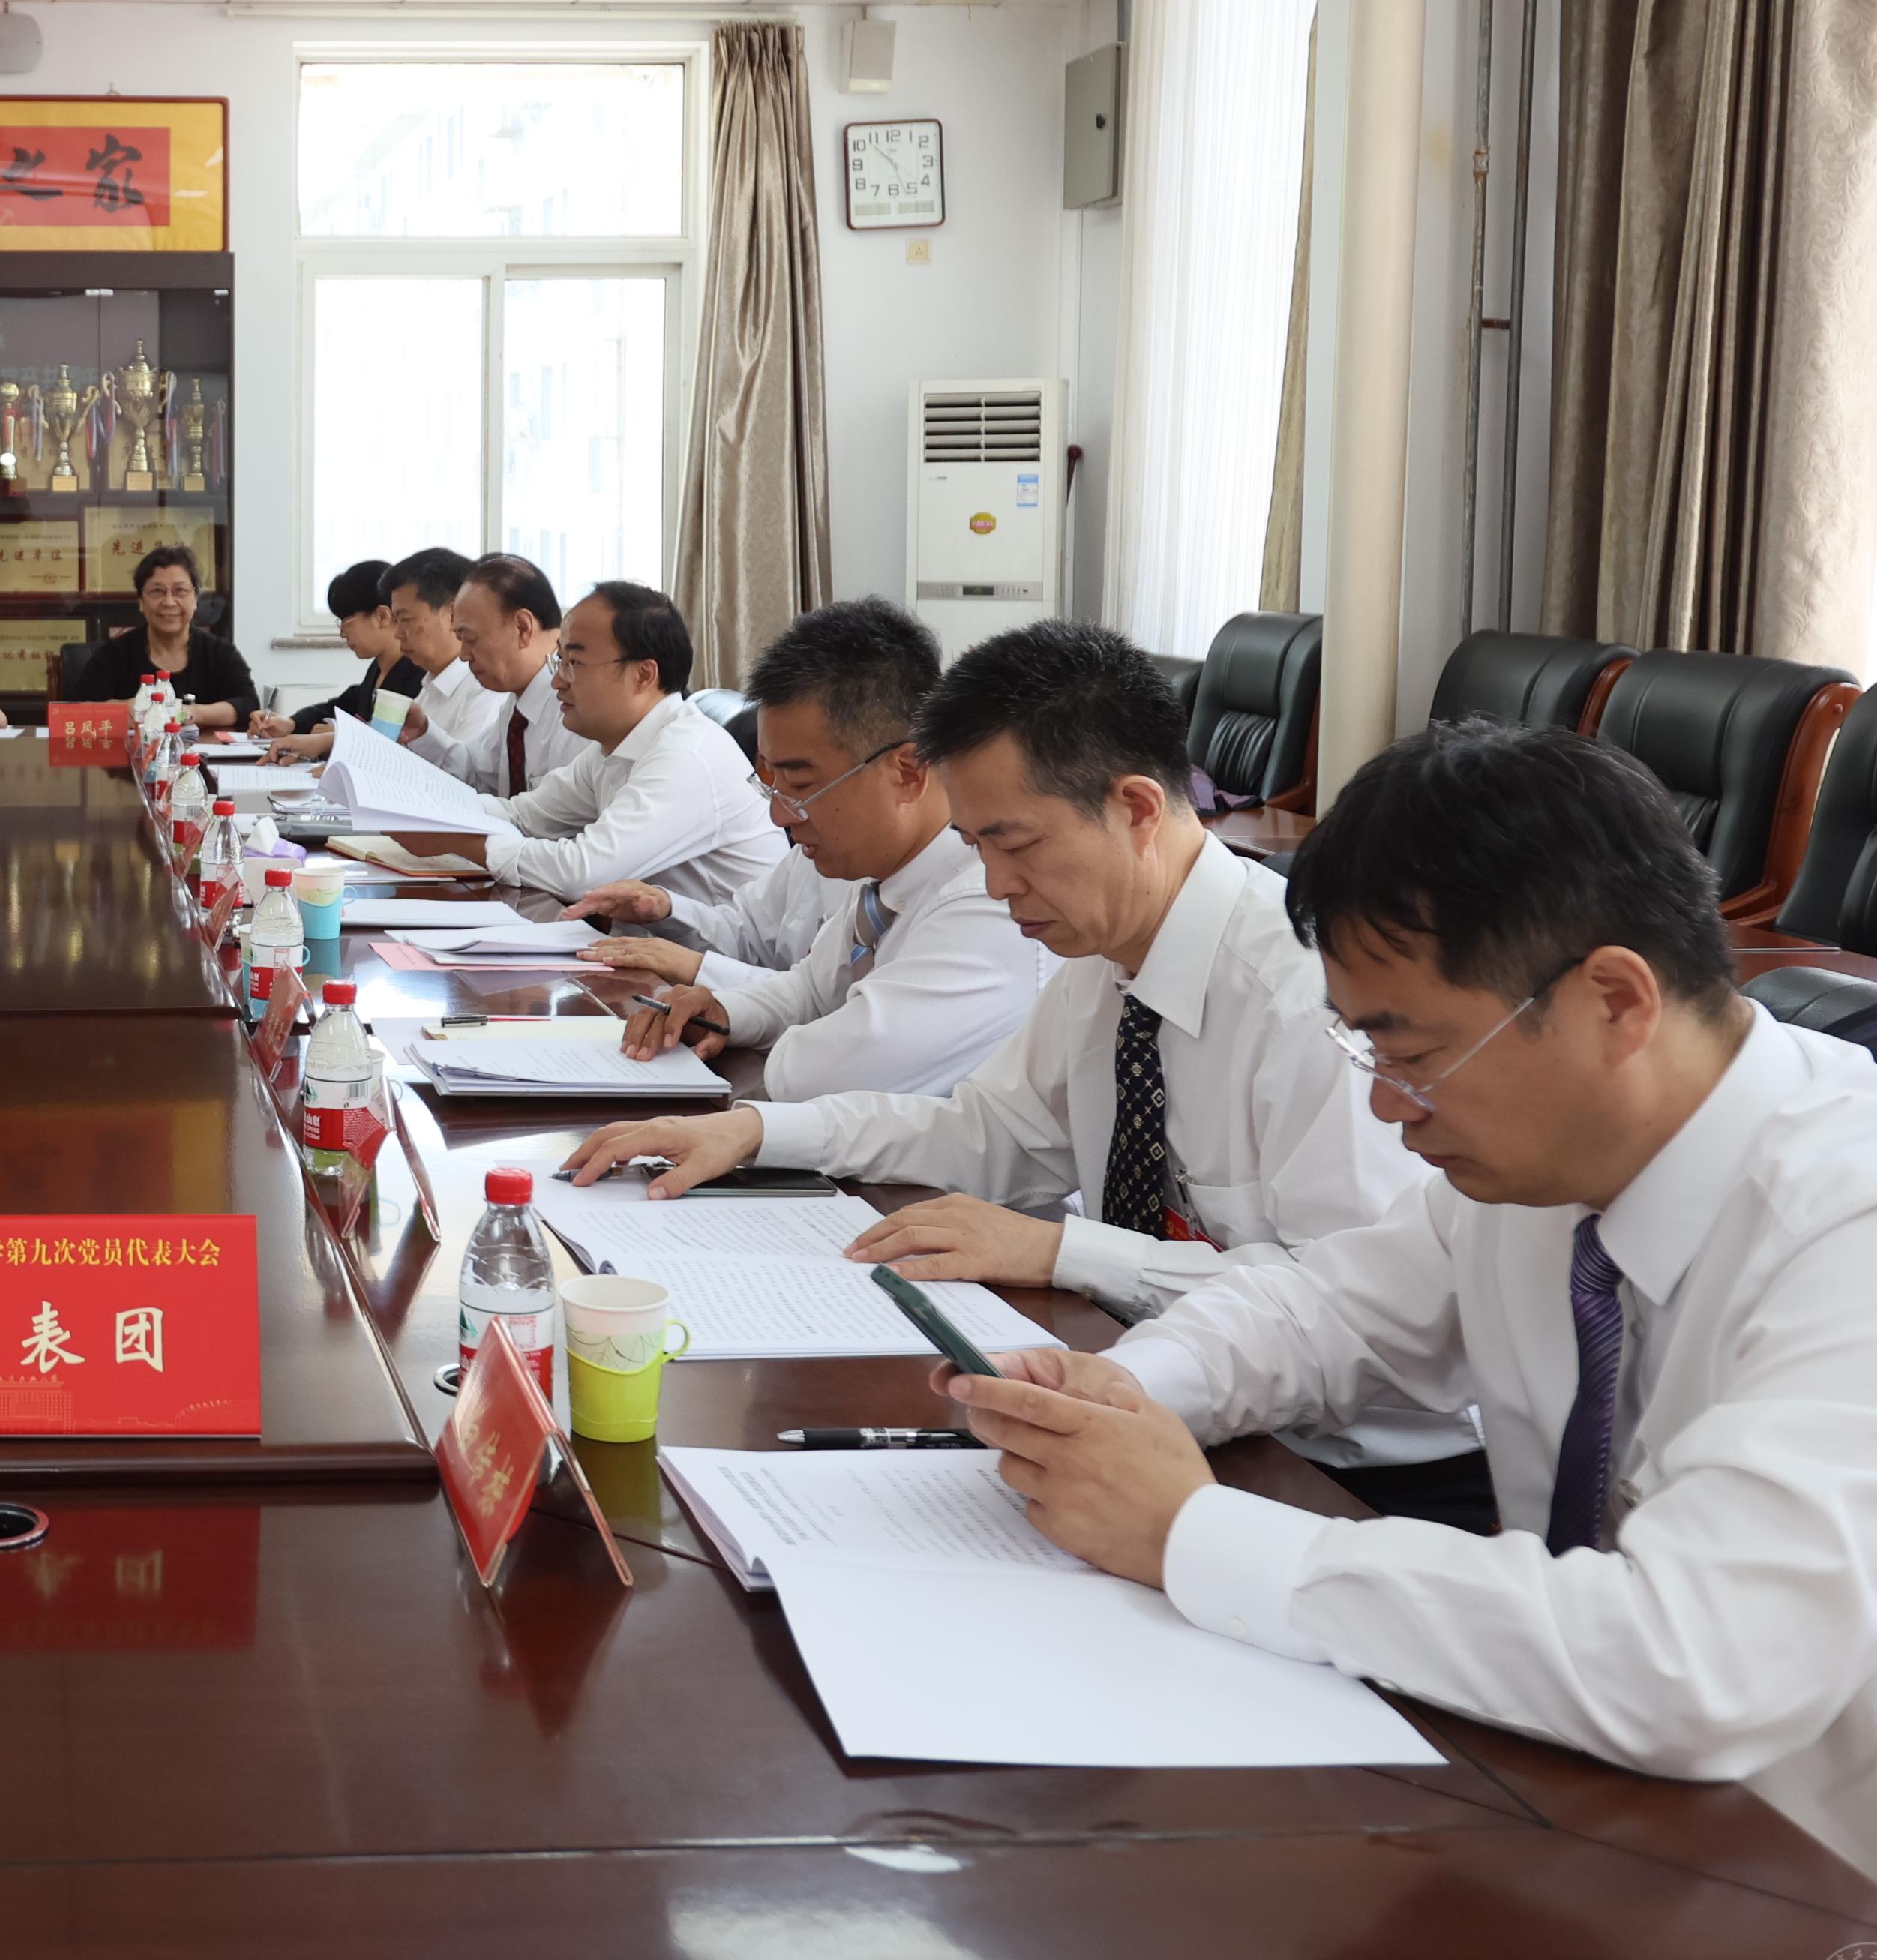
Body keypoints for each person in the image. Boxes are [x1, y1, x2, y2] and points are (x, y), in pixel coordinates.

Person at [936, 724, 1877, 1960]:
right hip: (1657, 1843)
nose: (1384, 1103)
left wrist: (1187, 1530)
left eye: (1413, 1053)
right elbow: (1329, 1309)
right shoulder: (1549, 1162)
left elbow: (1687, 1662)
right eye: (1366, 1049)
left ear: (1614, 1000)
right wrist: (1128, 1392)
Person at [566, 618, 1479, 1508]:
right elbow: (988, 1131)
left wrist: (1061, 1249)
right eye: (976, 848)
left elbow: (1340, 1305)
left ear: (1135, 810)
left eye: (1016, 845)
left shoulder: (1311, 1000)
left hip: (1346, 1474)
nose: (997, 886)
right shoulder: (1105, 960)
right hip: (1147, 1390)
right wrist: (758, 1132)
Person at [570, 600, 1048, 1100]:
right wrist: (727, 1010)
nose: (780, 817)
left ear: (907, 773)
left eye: (801, 785)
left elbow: (835, 1071)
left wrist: (768, 1027)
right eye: (771, 783)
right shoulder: (881, 874)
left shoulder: (988, 900)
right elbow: (811, 991)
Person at [460, 581, 779, 912]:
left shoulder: (686, 756)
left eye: (575, 663)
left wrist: (466, 843)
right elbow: (524, 816)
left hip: (722, 945)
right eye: (560, 660)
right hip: (646, 941)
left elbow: (581, 873)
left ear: (643, 675)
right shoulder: (613, 748)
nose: (557, 681)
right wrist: (438, 812)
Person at [418, 551, 585, 799]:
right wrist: (423, 733)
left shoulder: (574, 707)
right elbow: (480, 775)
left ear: (522, 628)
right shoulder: (517, 705)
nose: (464, 655)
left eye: (471, 639)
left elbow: (558, 817)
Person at [67, 542, 261, 725]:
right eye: (157, 591)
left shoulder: (220, 652)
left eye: (180, 590)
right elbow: (76, 710)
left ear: (195, 600)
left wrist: (191, 713)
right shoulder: (114, 655)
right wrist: (122, 709)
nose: (169, 602)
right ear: (141, 602)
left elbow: (248, 704)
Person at [252, 558, 414, 741]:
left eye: (346, 621)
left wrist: (341, 734)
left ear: (382, 616)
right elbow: (338, 708)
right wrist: (292, 723)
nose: (342, 633)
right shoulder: (378, 670)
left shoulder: (417, 676)